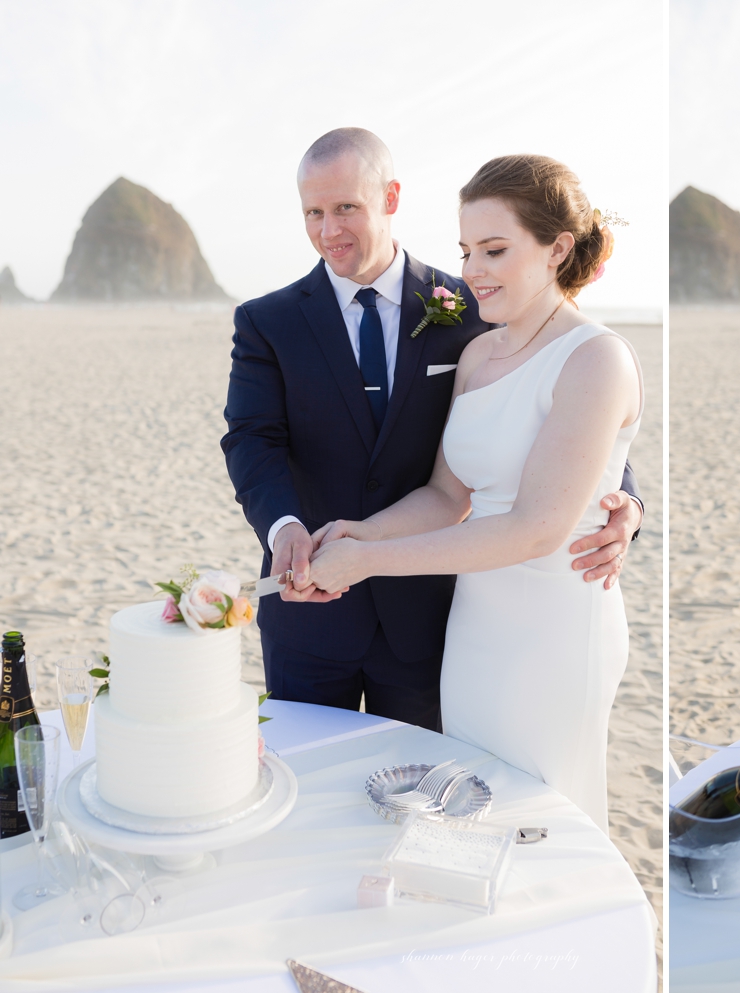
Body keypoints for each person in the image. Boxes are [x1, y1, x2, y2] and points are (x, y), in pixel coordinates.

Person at [223, 130, 642, 738]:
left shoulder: (478, 306)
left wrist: (624, 500)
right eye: (313, 212)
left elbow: (570, 419)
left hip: (437, 614)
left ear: (390, 197)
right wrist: (287, 528)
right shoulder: (267, 321)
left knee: (433, 800)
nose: (328, 229)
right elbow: (250, 439)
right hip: (311, 614)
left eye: (346, 208)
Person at [299, 154, 645, 833]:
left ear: (557, 249)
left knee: (541, 821)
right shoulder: (480, 354)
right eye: (465, 250)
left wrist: (368, 564)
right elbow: (444, 495)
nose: (473, 269)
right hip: (476, 627)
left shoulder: (595, 358)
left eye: (494, 249)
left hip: (553, 625)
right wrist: (358, 533)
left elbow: (534, 529)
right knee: (471, 810)